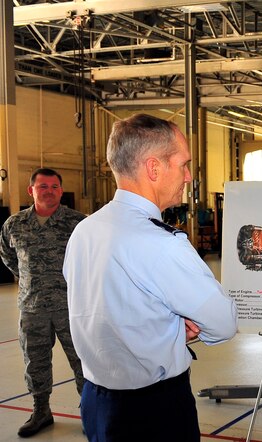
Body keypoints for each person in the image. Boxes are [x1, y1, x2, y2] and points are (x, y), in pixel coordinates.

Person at [63, 114, 238, 441]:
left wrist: (162, 331)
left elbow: (106, 314)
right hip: (151, 411)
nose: (188, 176)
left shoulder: (85, 231)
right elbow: (223, 323)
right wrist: (177, 332)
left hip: (96, 403)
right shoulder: (161, 243)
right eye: (184, 164)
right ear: (154, 168)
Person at [0, 168, 86, 437]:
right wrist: (31, 280)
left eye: (54, 187)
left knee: (83, 361)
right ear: (31, 190)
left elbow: (92, 259)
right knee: (35, 362)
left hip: (72, 307)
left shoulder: (78, 223)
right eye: (43, 186)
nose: (49, 191)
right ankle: (41, 411)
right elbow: (8, 257)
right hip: (32, 308)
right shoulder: (14, 224)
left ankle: (90, 411)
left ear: (61, 190)